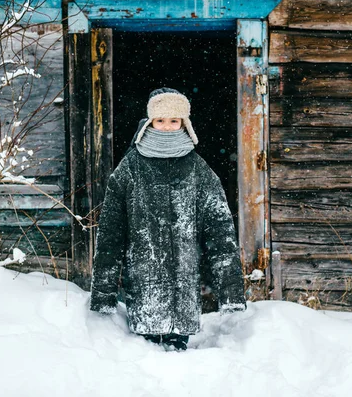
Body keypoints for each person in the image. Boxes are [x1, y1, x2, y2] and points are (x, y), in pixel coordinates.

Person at [90, 88, 246, 351]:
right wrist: (103, 296)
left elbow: (221, 235)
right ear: (149, 122)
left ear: (185, 124)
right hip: (143, 294)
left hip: (183, 298)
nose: (166, 127)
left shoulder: (198, 170)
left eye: (174, 121)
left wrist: (230, 294)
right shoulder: (129, 169)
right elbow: (110, 235)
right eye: (160, 121)